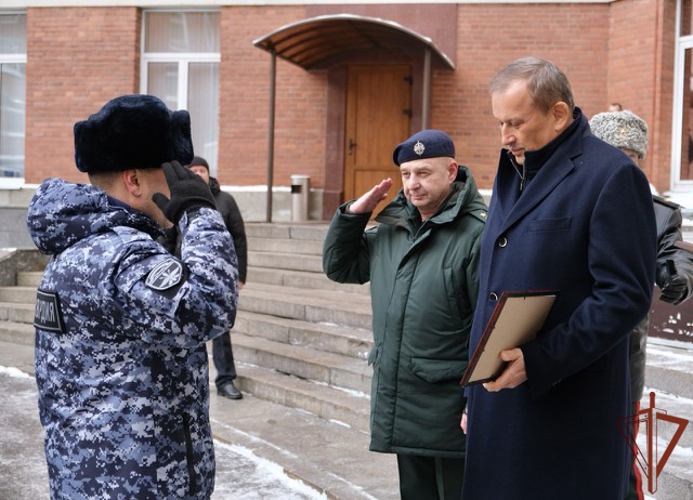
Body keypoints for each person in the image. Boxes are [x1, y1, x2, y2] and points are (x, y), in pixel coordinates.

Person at [461, 57, 656, 499]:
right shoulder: (513, 169)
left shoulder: (612, 175)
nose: (504, 135)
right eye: (499, 123)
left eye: (515, 122)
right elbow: (492, 287)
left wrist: (540, 358)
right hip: (498, 402)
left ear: (559, 114)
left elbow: (623, 298)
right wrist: (473, 395)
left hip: (565, 415)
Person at [26, 94, 239, 499]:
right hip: (134, 483)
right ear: (135, 180)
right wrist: (199, 210)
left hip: (93, 476)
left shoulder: (80, 246)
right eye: (172, 174)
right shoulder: (123, 256)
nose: (183, 184)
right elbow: (210, 306)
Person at [323, 130, 487, 500]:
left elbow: (489, 325)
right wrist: (353, 216)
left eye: (424, 173)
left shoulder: (477, 234)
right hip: (403, 397)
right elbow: (340, 267)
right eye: (406, 174)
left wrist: (477, 400)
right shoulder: (392, 230)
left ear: (451, 171)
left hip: (451, 407)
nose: (413, 184)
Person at [589, 109, 693, 500]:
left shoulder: (659, 212)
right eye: (613, 151)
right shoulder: (567, 197)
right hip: (564, 350)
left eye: (630, 155)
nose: (621, 162)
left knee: (619, 465)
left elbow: (674, 253)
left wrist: (676, 276)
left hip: (622, 356)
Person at [188, 156, 247, 400]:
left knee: (220, 329)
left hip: (218, 278)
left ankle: (225, 379)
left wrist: (240, 275)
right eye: (193, 170)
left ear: (209, 174)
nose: (198, 174)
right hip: (185, 274)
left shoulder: (225, 200)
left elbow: (239, 238)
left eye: (202, 170)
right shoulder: (179, 200)